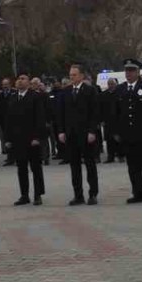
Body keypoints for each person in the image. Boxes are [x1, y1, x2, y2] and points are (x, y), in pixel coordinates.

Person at [115, 59, 142, 203]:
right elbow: (116, 112)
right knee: (132, 166)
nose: (128, 73)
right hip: (128, 134)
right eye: (127, 70)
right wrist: (117, 132)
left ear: (138, 72)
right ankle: (137, 191)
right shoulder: (120, 89)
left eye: (132, 70)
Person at [56, 65, 100, 206]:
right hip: (71, 134)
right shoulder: (66, 92)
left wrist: (92, 131)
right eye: (70, 75)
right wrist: (61, 131)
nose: (72, 77)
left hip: (86, 134)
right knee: (74, 166)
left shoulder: (90, 91)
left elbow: (94, 112)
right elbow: (61, 113)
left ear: (81, 76)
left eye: (74, 75)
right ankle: (78, 195)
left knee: (90, 165)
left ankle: (93, 193)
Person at [4, 73, 46, 206]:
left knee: (36, 168)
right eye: (18, 79)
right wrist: (8, 139)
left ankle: (38, 195)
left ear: (28, 82)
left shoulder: (35, 96)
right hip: (17, 139)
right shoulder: (13, 97)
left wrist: (37, 137)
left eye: (23, 79)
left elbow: (40, 118)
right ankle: (24, 195)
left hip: (32, 138)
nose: (20, 81)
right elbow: (8, 120)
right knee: (21, 168)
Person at [99, 79, 122, 163]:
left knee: (118, 139)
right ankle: (110, 157)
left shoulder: (120, 94)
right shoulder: (103, 95)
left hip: (118, 120)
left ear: (116, 84)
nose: (111, 85)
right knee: (109, 140)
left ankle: (120, 155)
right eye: (109, 84)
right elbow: (100, 108)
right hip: (107, 121)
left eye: (112, 84)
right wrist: (101, 120)